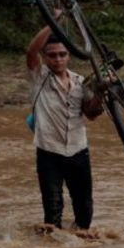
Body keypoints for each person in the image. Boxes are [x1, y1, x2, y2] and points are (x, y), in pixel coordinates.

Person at [25, 25, 105, 236]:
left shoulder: (80, 82)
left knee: (85, 212)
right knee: (52, 214)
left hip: (78, 151)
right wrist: (54, 22)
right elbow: (30, 52)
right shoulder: (39, 78)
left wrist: (101, 93)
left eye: (62, 54)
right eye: (52, 55)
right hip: (49, 152)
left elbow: (92, 114)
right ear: (45, 56)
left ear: (69, 56)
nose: (58, 59)